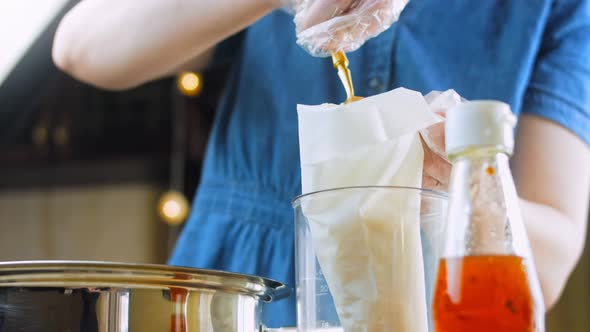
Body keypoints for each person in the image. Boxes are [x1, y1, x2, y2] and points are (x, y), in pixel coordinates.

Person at [52, 0, 590, 327]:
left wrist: (468, 181)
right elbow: (83, 48)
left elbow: (548, 259)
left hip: (435, 308)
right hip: (233, 299)